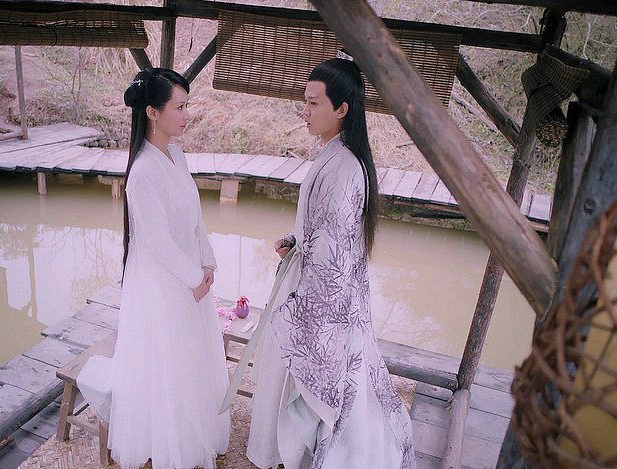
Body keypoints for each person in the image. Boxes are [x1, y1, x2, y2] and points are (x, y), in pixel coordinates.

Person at [228, 57, 415, 469]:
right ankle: (286, 451)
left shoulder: (344, 167)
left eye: (314, 103)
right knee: (292, 377)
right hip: (315, 281)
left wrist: (305, 313)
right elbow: (326, 228)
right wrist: (297, 240)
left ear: (342, 109)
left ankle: (290, 454)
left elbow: (333, 252)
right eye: (305, 102)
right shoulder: (338, 156)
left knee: (300, 376)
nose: (305, 111)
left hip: (321, 295)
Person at [77, 67, 230, 469]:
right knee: (167, 360)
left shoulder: (177, 155)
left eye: (186, 106)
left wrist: (207, 261)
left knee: (192, 359)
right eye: (179, 107)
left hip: (190, 277)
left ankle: (192, 430)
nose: (186, 115)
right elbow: (158, 241)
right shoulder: (143, 171)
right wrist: (194, 279)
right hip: (163, 284)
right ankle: (167, 441)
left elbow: (194, 218)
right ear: (153, 113)